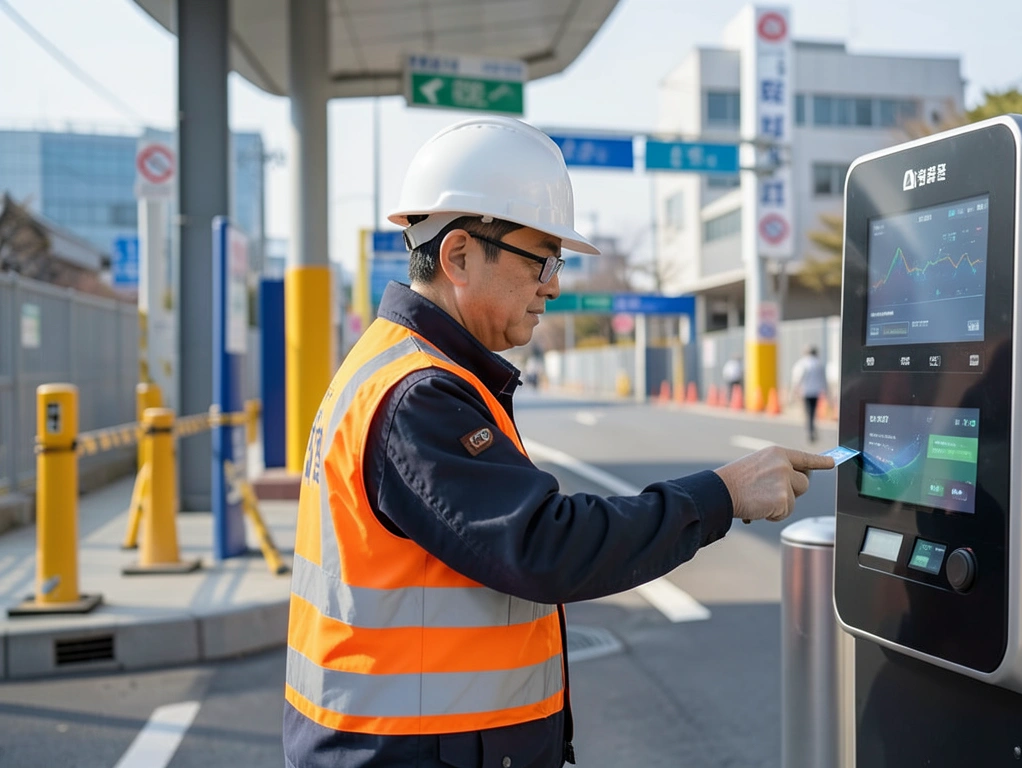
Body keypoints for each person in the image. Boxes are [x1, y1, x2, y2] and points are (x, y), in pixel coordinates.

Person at [282, 116, 833, 768]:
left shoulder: (404, 366)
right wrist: (722, 494)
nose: (554, 282)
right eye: (540, 257)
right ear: (458, 256)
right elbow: (545, 545)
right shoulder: (420, 394)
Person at [790, 345, 829, 443]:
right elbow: (824, 379)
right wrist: (827, 392)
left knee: (808, 412)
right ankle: (812, 428)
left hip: (806, 391)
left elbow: (797, 378)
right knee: (813, 411)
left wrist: (793, 391)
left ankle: (810, 429)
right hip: (816, 391)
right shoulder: (819, 364)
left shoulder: (802, 363)